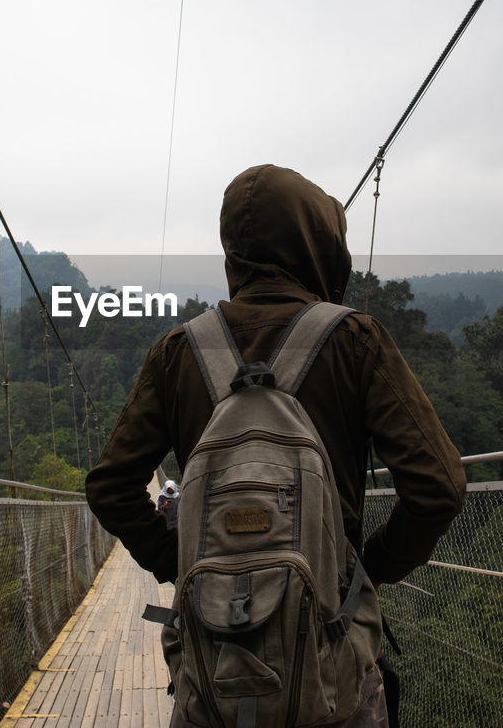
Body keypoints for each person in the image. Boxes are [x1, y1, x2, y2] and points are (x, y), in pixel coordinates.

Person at [85, 164, 466, 725]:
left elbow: (111, 486)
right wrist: (363, 570)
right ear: (318, 244)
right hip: (332, 678)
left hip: (211, 682)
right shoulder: (355, 340)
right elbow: (439, 487)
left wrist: (183, 563)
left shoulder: (177, 352)